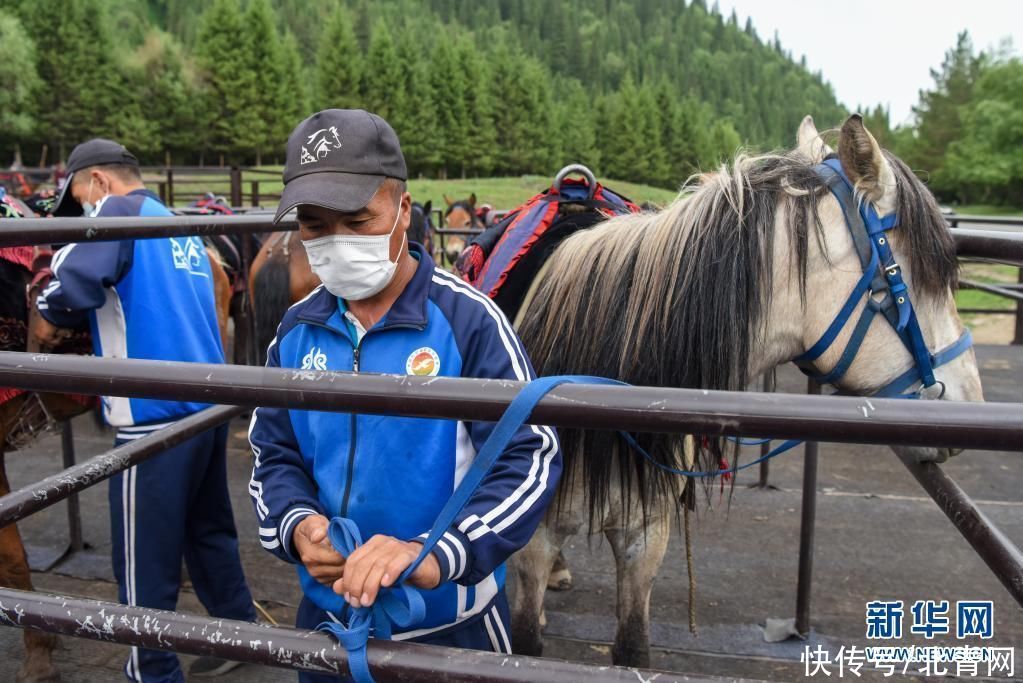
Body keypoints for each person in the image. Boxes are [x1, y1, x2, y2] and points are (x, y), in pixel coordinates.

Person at [248, 109, 561, 682]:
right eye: (315, 227)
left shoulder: (470, 323)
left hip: (450, 625)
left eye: (360, 219)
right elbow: (274, 453)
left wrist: (440, 552)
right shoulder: (294, 332)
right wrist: (296, 525)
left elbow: (530, 456)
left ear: (404, 210)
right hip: (329, 622)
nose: (337, 242)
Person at [38, 139, 256, 682]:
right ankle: (242, 633)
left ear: (98, 183)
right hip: (205, 407)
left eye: (80, 197)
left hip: (153, 417)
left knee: (142, 561)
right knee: (208, 533)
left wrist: (42, 306)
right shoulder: (171, 219)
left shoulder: (114, 213)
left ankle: (152, 670)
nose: (83, 209)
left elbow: (69, 289)